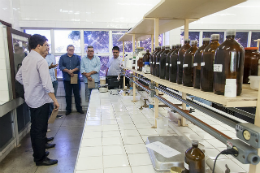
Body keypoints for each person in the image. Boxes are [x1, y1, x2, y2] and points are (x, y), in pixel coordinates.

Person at [16, 34, 59, 166]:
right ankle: (40, 158)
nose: (47, 48)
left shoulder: (27, 59)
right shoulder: (41, 61)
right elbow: (47, 84)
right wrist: (55, 100)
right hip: (40, 100)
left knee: (36, 128)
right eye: (46, 45)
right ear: (38, 46)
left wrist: (30, 85)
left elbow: (18, 77)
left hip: (31, 99)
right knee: (39, 130)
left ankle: (39, 152)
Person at [59, 45, 84, 115]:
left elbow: (79, 66)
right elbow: (60, 66)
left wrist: (72, 70)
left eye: (73, 50)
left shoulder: (77, 57)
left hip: (75, 78)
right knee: (68, 95)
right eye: (70, 50)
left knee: (77, 95)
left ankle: (79, 109)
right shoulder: (62, 57)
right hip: (66, 79)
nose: (71, 51)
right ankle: (68, 110)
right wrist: (68, 71)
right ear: (67, 50)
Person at [44, 46, 63, 119]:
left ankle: (53, 114)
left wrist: (56, 77)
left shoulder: (52, 56)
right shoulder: (41, 57)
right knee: (48, 98)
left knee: (53, 98)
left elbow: (54, 67)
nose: (47, 48)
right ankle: (48, 114)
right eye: (46, 46)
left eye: (48, 46)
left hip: (54, 80)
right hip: (47, 80)